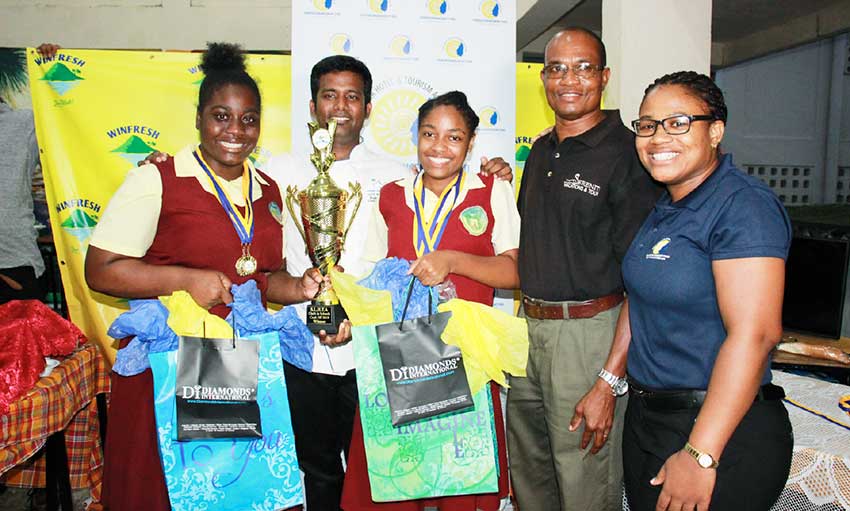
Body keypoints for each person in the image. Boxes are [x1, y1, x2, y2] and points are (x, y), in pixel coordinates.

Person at [265, 56, 514, 511]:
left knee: (441, 477)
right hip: (334, 341)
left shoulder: (391, 178)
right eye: (329, 95)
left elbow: (385, 264)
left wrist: (494, 175)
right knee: (340, 471)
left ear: (368, 107)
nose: (341, 107)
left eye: (352, 96)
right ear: (311, 104)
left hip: (422, 349)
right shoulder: (281, 171)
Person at [85, 42, 321, 511]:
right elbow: (101, 270)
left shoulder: (269, 190)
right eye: (221, 116)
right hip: (170, 366)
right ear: (198, 118)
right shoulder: (158, 179)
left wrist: (300, 287)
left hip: (237, 365)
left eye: (248, 118)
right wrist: (184, 280)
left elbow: (259, 279)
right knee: (165, 492)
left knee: (233, 487)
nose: (236, 130)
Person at [621, 71, 793, 511]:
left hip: (717, 432)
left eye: (678, 122)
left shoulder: (742, 205)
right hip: (649, 419)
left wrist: (701, 454)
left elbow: (755, 335)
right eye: (647, 124)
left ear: (715, 130)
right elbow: (641, 299)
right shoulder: (667, 204)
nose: (658, 137)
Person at [340, 90, 519, 510]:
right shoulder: (390, 195)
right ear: (415, 137)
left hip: (467, 359)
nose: (439, 147)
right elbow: (364, 272)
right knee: (397, 486)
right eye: (428, 134)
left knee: (460, 487)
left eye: (454, 137)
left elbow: (514, 271)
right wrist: (338, 311)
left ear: (471, 143)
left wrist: (454, 261)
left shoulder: (491, 191)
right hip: (402, 359)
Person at [508, 28, 661, 511]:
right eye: (556, 68)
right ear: (544, 79)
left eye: (582, 67)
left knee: (584, 484)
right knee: (530, 475)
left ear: (604, 77)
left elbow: (643, 281)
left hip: (590, 333)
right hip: (527, 329)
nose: (568, 79)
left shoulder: (627, 152)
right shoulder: (539, 153)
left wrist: (608, 380)